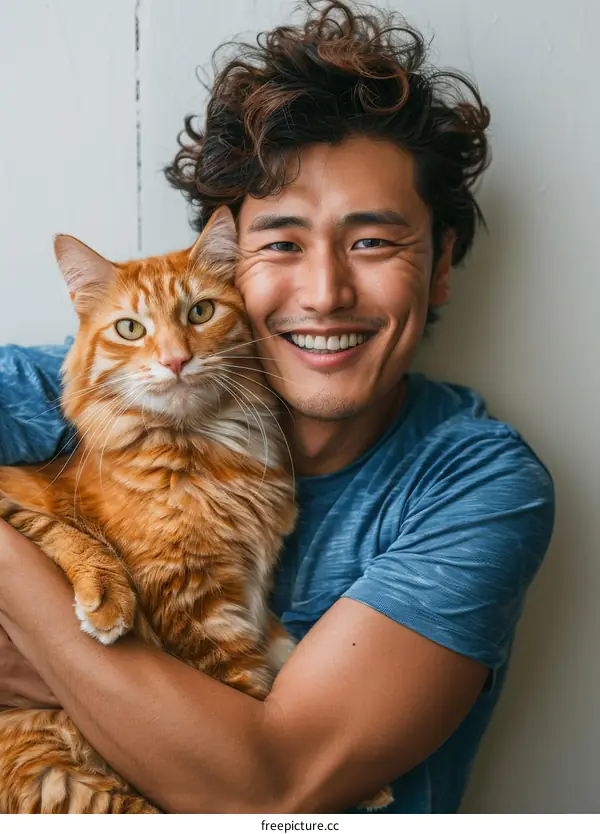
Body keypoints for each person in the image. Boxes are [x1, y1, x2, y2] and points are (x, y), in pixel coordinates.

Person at [0, 0, 554, 814]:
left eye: (372, 241)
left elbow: (267, 791)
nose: (325, 293)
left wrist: (26, 597)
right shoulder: (95, 377)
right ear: (228, 266)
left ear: (440, 268)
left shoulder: (473, 484)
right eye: (282, 244)